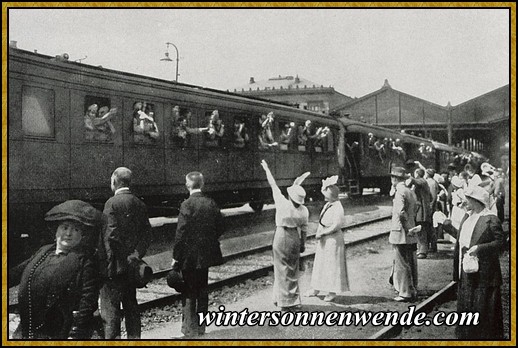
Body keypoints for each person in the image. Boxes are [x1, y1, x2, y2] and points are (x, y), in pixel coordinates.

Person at [9, 200, 102, 339]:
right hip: (27, 331)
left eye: (75, 230)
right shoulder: (44, 251)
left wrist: (75, 333)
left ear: (82, 236)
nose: (68, 233)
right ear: (56, 231)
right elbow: (15, 273)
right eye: (64, 227)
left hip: (59, 333)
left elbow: (87, 302)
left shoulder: (85, 261)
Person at [443, 186, 504, 339]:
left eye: (467, 199)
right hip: (466, 270)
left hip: (484, 275)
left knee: (483, 310)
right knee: (467, 307)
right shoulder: (467, 217)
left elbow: (501, 243)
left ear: (476, 201)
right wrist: (446, 225)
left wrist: (480, 248)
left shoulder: (490, 219)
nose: (464, 202)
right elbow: (462, 240)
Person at [98, 167, 152, 339]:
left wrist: (124, 257)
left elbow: (112, 236)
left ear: (114, 181)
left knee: (111, 311)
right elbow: (147, 234)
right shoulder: (139, 203)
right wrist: (136, 254)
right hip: (132, 267)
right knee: (131, 307)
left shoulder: (111, 203)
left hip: (114, 267)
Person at [171, 172, 224, 338]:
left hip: (189, 257)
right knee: (202, 290)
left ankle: (189, 330)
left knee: (189, 292)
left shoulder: (186, 205)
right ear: (203, 184)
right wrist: (210, 240)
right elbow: (222, 225)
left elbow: (181, 233)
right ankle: (201, 328)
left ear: (188, 185)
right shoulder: (211, 203)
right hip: (205, 256)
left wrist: (176, 257)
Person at [260, 160, 309, 310]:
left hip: (281, 236)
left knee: (280, 269)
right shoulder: (303, 211)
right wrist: (302, 244)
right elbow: (305, 230)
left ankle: (282, 301)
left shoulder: (282, 203)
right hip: (295, 237)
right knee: (292, 269)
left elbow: (273, 184)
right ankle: (289, 299)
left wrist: (267, 169)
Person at [306, 176, 349, 302]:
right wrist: (320, 232)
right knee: (320, 264)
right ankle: (316, 288)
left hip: (333, 240)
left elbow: (337, 225)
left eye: (325, 193)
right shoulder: (328, 205)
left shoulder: (338, 207)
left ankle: (332, 291)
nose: (323, 196)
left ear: (331, 194)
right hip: (324, 239)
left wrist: (324, 232)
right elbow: (322, 221)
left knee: (332, 265)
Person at [388, 167, 418, 302]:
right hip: (410, 229)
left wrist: (406, 228)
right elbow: (416, 208)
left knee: (401, 262)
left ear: (394, 179)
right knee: (410, 261)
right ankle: (412, 289)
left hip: (401, 232)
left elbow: (400, 213)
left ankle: (404, 292)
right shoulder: (410, 191)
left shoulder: (399, 192)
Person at [408, 164, 433, 259]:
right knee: (421, 231)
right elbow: (430, 197)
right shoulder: (423, 183)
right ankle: (421, 249)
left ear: (417, 174)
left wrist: (408, 177)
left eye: (415, 174)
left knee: (421, 230)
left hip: (421, 212)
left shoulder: (422, 181)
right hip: (422, 210)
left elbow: (416, 181)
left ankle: (422, 251)